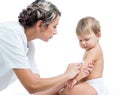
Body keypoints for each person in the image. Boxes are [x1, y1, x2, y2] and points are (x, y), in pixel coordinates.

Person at [0, 0, 94, 95]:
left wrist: (67, 79)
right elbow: (32, 86)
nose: (56, 32)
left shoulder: (29, 47)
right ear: (40, 25)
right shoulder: (11, 34)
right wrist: (66, 75)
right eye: (54, 26)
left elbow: (38, 88)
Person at [62, 16, 106, 95]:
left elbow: (85, 65)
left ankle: (61, 92)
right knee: (66, 87)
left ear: (98, 35)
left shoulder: (95, 50)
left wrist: (75, 79)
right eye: (80, 40)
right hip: (87, 84)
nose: (83, 43)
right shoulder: (89, 49)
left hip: (93, 86)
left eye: (87, 39)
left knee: (68, 90)